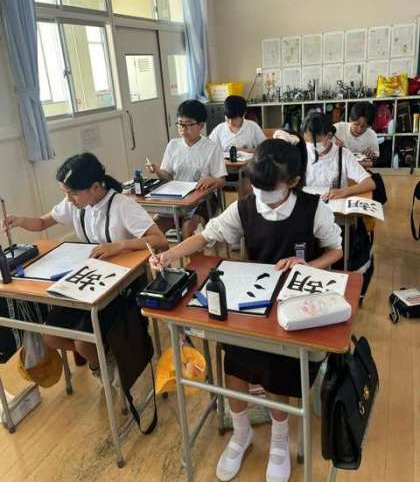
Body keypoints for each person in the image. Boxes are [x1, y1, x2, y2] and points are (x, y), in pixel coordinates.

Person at [150, 134, 343, 482]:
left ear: (294, 182)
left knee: (275, 372)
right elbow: (207, 235)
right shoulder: (245, 207)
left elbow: (335, 250)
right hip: (252, 302)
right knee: (235, 368)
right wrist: (169, 254)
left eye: (270, 189)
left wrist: (308, 265)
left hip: (293, 305)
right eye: (257, 187)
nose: (262, 195)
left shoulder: (313, 208)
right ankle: (241, 434)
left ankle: (280, 440)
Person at [1, 153, 167, 380]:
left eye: (73, 193)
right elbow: (42, 222)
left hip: (124, 286)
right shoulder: (76, 204)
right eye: (65, 193)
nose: (69, 199)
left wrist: (119, 246)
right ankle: (103, 356)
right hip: (88, 284)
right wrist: (19, 220)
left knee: (83, 342)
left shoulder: (122, 206)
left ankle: (100, 360)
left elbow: (159, 240)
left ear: (95, 187)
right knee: (50, 336)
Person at [146, 100, 227, 238]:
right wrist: (158, 170)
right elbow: (168, 177)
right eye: (180, 124)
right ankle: (163, 253)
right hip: (177, 199)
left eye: (189, 124)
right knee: (154, 229)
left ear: (201, 125)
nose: (183, 129)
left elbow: (221, 180)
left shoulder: (211, 147)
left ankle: (191, 252)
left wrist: (211, 180)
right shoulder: (173, 145)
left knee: (188, 227)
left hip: (203, 199)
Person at [302, 112, 375, 200]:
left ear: (329, 136)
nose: (310, 147)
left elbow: (369, 183)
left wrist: (344, 191)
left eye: (316, 143)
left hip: (334, 204)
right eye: (307, 142)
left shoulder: (343, 155)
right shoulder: (301, 153)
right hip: (308, 203)